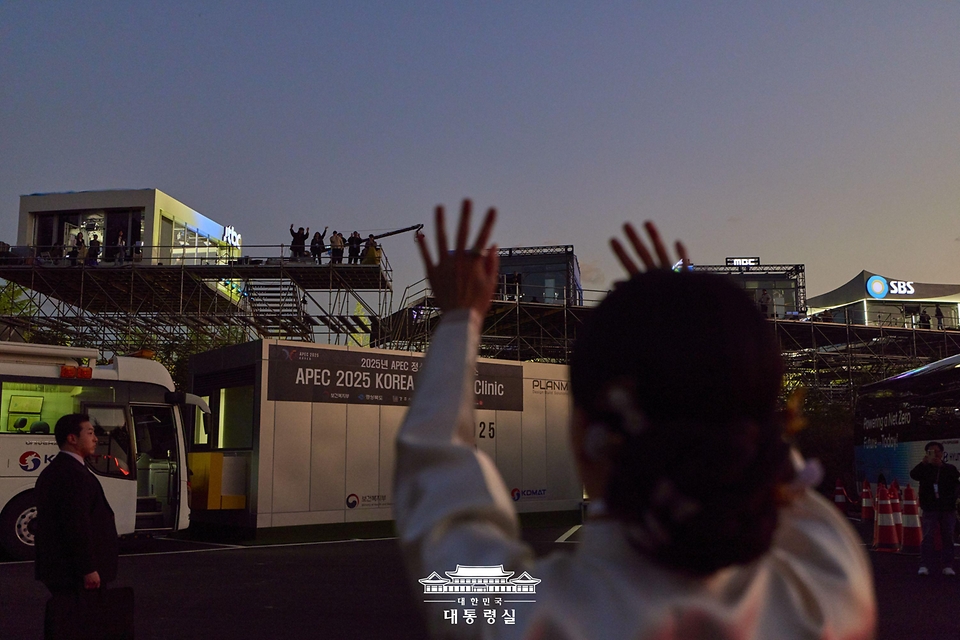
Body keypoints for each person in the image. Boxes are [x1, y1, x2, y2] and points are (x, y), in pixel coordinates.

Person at [393, 200, 876, 639]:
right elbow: (753, 437)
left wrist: (460, 319)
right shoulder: (833, 593)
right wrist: (698, 334)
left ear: (583, 433)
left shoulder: (519, 619)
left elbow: (438, 489)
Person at [34, 414, 119, 594]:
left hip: (61, 568)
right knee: (81, 617)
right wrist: (88, 569)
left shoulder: (56, 469)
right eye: (89, 433)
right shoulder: (72, 474)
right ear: (72, 438)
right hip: (73, 573)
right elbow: (76, 525)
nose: (95, 439)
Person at [910, 441, 959, 576]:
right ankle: (924, 564)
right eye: (931, 452)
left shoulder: (949, 468)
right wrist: (923, 463)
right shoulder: (924, 468)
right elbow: (913, 474)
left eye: (937, 452)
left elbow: (955, 480)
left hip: (947, 507)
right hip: (930, 507)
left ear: (942, 453)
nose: (935, 455)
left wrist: (941, 466)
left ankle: (948, 565)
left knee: (948, 536)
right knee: (928, 536)